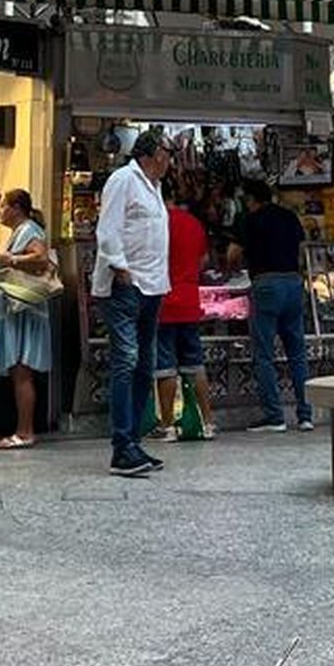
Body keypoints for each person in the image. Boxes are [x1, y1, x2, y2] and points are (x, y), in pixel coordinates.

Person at [93, 129, 171, 477]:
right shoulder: (123, 179)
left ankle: (134, 441)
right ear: (151, 153)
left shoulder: (154, 186)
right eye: (166, 152)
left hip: (153, 286)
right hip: (126, 285)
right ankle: (121, 447)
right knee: (126, 359)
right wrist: (120, 267)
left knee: (144, 365)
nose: (170, 159)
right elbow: (107, 228)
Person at [229, 176, 313, 433]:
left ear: (251, 199)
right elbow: (301, 250)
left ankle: (274, 416)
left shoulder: (250, 220)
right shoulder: (288, 216)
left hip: (266, 285)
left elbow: (233, 253)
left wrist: (234, 268)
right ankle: (305, 415)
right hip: (293, 283)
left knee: (264, 354)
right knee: (297, 353)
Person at [0, 189, 54, 452]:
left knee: (22, 372)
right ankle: (23, 430)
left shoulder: (30, 230)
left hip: (21, 314)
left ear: (17, 208)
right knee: (19, 372)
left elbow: (41, 258)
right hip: (16, 313)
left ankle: (25, 432)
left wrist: (11, 259)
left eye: (2, 206)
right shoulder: (21, 231)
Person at [156, 198, 215, 441]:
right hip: (190, 301)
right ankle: (208, 422)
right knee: (195, 364)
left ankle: (168, 425)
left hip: (163, 301)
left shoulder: (157, 222)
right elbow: (204, 260)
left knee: (165, 367)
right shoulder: (194, 224)